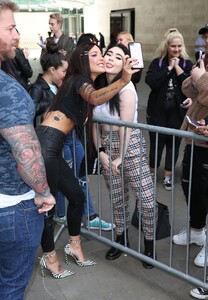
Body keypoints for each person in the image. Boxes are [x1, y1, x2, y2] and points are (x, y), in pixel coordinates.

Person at [35, 42, 139, 278]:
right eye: (95, 54)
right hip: (47, 145)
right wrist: (122, 80)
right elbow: (94, 98)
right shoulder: (80, 80)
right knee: (48, 206)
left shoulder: (78, 83)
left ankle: (74, 246)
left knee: (77, 196)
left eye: (102, 53)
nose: (102, 57)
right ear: (83, 59)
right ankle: (49, 258)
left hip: (51, 145)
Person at [0, 1, 55, 299]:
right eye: (10, 28)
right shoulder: (8, 91)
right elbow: (26, 152)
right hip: (11, 208)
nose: (17, 34)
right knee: (10, 288)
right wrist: (44, 191)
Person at [92, 43, 158, 268]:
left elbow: (126, 127)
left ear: (125, 65)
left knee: (147, 200)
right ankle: (121, 239)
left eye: (117, 57)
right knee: (118, 198)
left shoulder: (126, 88)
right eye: (108, 53)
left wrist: (120, 156)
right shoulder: (98, 86)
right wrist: (100, 152)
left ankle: (149, 246)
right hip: (106, 146)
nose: (110, 58)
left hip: (129, 145)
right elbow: (94, 125)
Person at [145, 28, 193, 190]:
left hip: (177, 113)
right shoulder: (157, 63)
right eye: (173, 46)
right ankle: (151, 173)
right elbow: (152, 82)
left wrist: (178, 68)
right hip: (157, 111)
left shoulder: (187, 64)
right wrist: (168, 69)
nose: (176, 49)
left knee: (173, 144)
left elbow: (190, 86)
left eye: (179, 46)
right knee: (156, 144)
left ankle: (168, 176)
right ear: (167, 46)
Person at [172, 61, 208, 259]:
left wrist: (201, 79)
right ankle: (196, 231)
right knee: (191, 187)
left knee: (203, 191)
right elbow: (188, 90)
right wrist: (196, 76)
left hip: (205, 144)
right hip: (195, 139)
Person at [29, 37, 68, 127]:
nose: (66, 74)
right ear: (52, 70)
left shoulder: (56, 85)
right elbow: (33, 109)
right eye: (64, 71)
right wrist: (54, 98)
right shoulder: (37, 87)